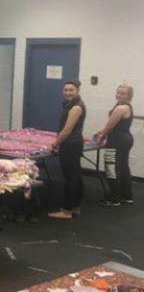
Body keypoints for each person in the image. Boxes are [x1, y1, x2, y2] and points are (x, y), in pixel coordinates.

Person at [49, 80, 86, 220]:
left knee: (71, 178)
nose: (68, 92)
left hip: (70, 145)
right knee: (75, 176)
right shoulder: (71, 104)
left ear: (77, 91)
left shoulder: (76, 107)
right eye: (65, 90)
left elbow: (66, 130)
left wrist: (55, 144)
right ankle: (76, 207)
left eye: (71, 90)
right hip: (73, 144)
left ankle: (66, 211)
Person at [94, 84, 135, 208]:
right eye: (118, 92)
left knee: (111, 168)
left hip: (117, 141)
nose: (119, 95)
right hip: (125, 140)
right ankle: (126, 196)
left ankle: (113, 199)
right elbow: (113, 125)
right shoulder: (127, 107)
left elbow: (109, 127)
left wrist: (101, 137)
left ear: (129, 96)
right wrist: (100, 131)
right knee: (123, 168)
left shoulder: (120, 108)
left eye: (123, 93)